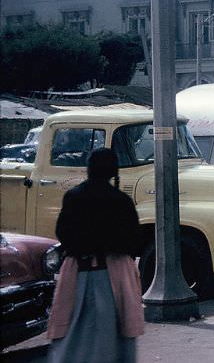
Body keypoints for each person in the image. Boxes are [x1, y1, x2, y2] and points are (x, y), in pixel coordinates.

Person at [48, 148, 143, 363]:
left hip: (78, 271)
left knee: (74, 332)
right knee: (114, 334)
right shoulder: (121, 201)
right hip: (114, 272)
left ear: (89, 168)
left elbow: (63, 233)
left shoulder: (73, 197)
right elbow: (133, 240)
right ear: (113, 171)